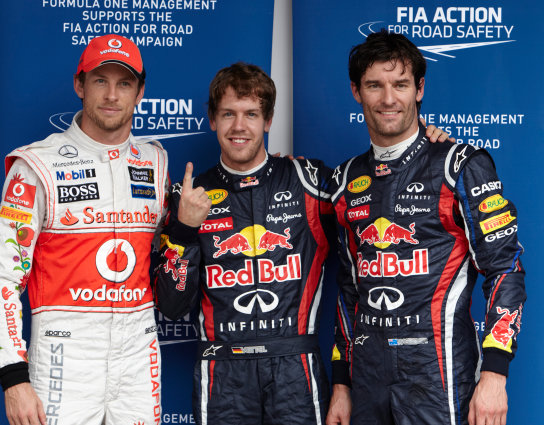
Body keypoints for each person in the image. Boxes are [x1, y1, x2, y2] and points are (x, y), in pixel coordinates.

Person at [154, 62, 449, 425]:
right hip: (222, 373)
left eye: (251, 113)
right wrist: (183, 230)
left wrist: (422, 146)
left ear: (269, 120)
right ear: (212, 120)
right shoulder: (190, 196)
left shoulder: (312, 183)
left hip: (295, 371)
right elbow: (170, 305)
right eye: (228, 114)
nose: (239, 126)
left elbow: (378, 192)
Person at [326, 30, 526, 425]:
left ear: (419, 89)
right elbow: (350, 290)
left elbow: (506, 269)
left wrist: (495, 374)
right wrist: (341, 384)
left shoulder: (459, 166)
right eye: (374, 85)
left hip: (440, 376)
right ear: (355, 92)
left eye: (400, 84)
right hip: (367, 380)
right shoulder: (343, 181)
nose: (388, 99)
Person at [0, 34, 169, 425]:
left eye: (124, 83)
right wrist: (13, 377)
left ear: (140, 92)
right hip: (64, 356)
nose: (112, 95)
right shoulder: (36, 166)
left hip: (138, 356)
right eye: (100, 80)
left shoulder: (156, 162)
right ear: (79, 85)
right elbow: (1, 277)